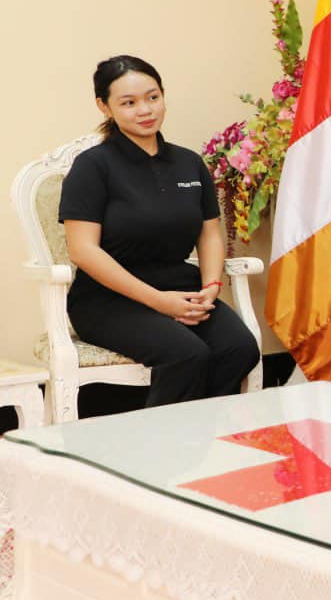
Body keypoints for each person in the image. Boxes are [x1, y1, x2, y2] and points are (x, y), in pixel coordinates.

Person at [59, 55, 260, 408]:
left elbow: (209, 233)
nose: (145, 110)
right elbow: (83, 250)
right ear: (104, 106)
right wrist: (158, 301)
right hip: (107, 300)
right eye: (129, 102)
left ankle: (199, 432)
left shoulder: (188, 162)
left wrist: (211, 287)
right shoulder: (92, 166)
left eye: (153, 97)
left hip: (181, 287)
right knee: (186, 353)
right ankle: (162, 440)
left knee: (239, 348)